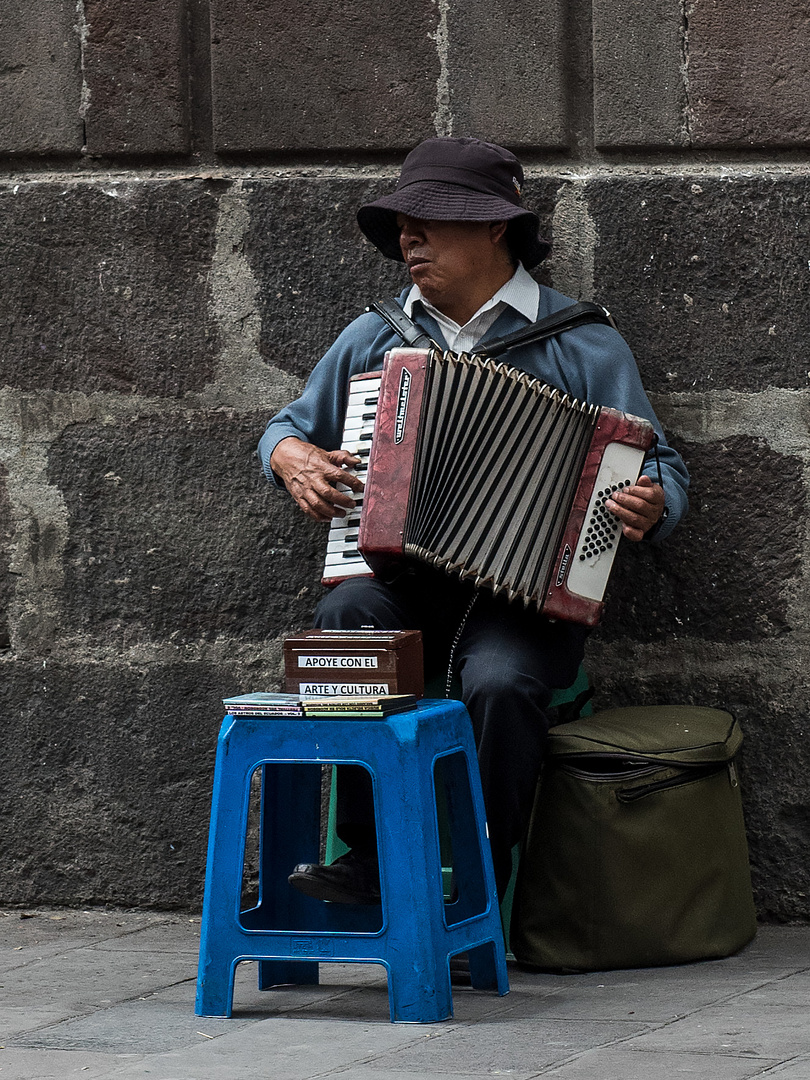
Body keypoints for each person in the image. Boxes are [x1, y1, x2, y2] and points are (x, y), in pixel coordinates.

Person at [258, 136, 690, 906]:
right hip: (406, 582)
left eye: (429, 221)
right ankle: (370, 858)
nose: (408, 239)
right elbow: (287, 426)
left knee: (497, 681)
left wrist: (651, 503)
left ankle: (478, 885)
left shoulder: (580, 342)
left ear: (496, 228)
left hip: (528, 599)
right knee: (347, 612)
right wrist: (291, 456)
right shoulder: (378, 335)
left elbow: (660, 466)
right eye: (403, 225)